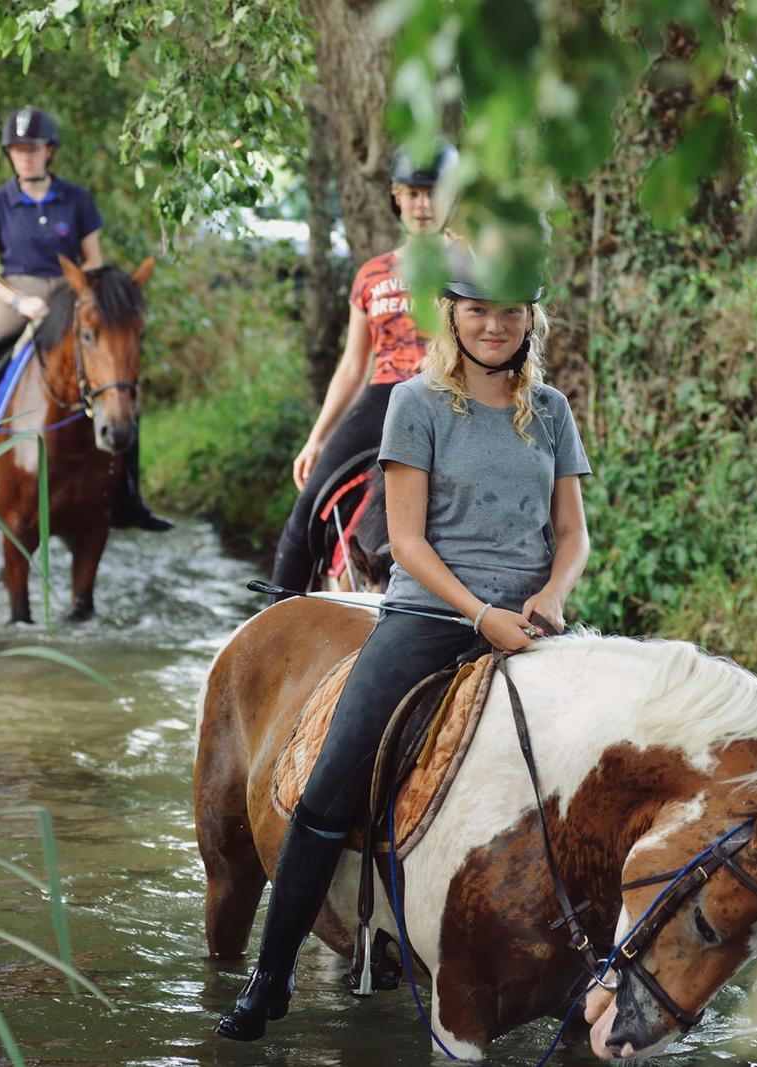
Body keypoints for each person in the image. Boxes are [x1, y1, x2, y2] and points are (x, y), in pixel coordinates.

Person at [216, 241, 592, 1041]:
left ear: (531, 320)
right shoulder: (416, 403)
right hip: (429, 615)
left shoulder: (551, 409)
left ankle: (590, 969)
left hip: (533, 623)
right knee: (327, 789)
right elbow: (410, 541)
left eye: (510, 312)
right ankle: (272, 975)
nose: (494, 326)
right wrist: (478, 614)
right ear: (451, 315)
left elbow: (573, 533)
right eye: (478, 310)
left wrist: (551, 597)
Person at [0, 105, 170, 531]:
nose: (26, 156)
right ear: (10, 154)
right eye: (18, 150)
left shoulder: (76, 199)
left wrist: (83, 295)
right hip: (15, 297)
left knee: (120, 386)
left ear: (49, 152)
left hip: (71, 296)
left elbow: (92, 258)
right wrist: (17, 300)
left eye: (33, 149)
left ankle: (129, 495)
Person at [268, 142, 458, 595]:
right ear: (395, 196)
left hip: (448, 397)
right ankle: (273, 620)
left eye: (433, 193)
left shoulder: (471, 265)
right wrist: (317, 439)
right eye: (412, 193)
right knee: (308, 505)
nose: (422, 204)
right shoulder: (372, 274)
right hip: (384, 397)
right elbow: (353, 365)